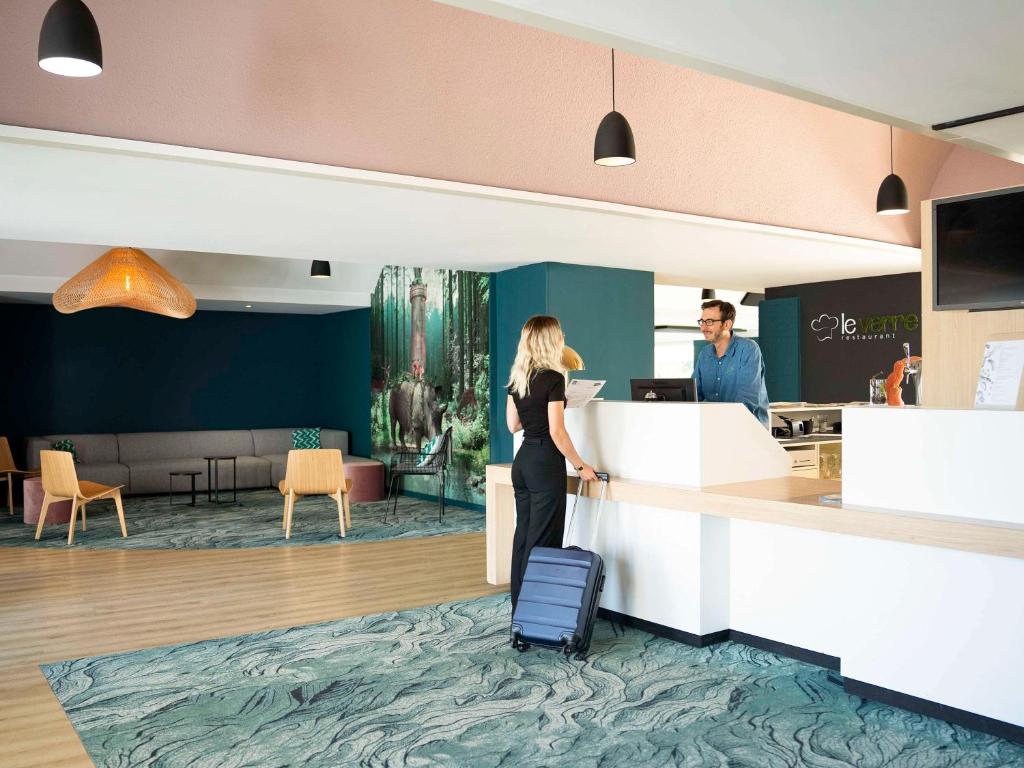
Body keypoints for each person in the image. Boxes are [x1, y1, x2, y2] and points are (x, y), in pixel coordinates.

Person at [506, 316, 599, 609]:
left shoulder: (518, 377)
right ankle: (537, 611)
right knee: (543, 539)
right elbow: (557, 432)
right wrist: (581, 466)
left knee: (524, 535)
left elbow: (513, 425)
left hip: (522, 462)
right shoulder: (554, 378)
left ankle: (519, 610)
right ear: (552, 340)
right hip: (545, 463)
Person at [693, 299, 770, 427]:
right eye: (702, 322)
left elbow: (747, 399)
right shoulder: (704, 354)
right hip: (715, 427)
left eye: (710, 322)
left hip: (750, 429)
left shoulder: (748, 349)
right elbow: (695, 393)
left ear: (727, 324)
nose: (703, 327)